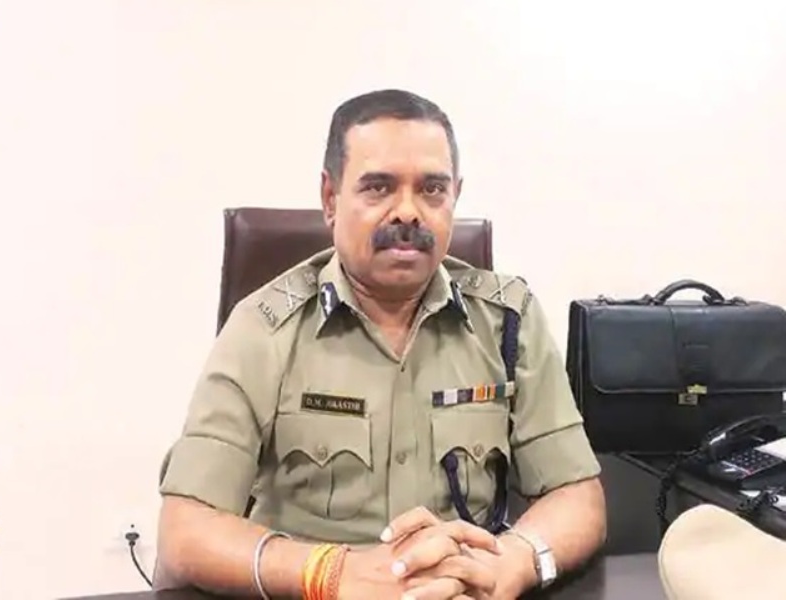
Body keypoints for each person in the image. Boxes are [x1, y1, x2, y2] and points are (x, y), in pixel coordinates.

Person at [155, 89, 607, 599]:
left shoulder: (508, 321)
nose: (408, 212)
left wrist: (514, 563)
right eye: (378, 188)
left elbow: (578, 496)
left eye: (432, 189)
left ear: (455, 195)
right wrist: (330, 574)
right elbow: (185, 529)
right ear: (331, 198)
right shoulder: (264, 328)